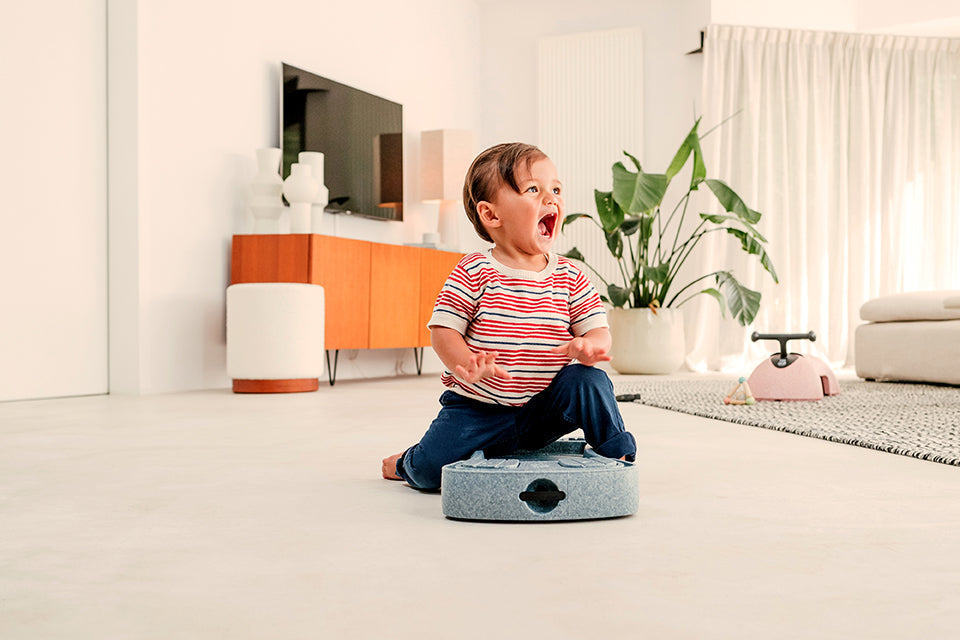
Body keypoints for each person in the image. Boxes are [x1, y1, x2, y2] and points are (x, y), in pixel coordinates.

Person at [382, 142, 636, 490]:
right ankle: (407, 461)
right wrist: (468, 362)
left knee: (589, 380)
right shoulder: (475, 270)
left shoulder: (571, 275)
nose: (551, 198)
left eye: (556, 189)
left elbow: (597, 329)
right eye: (533, 189)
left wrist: (590, 346)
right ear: (491, 215)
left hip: (544, 407)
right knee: (430, 474)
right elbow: (443, 330)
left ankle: (616, 454)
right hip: (478, 410)